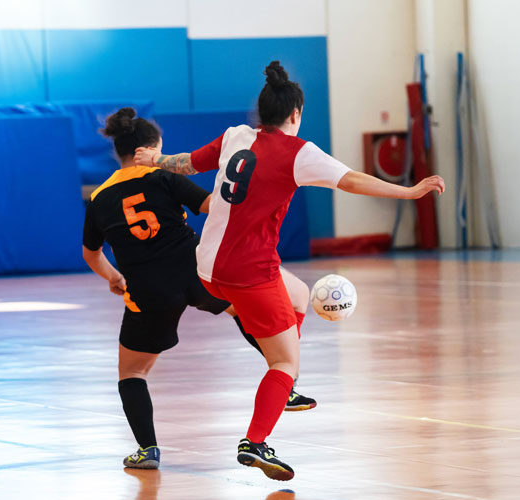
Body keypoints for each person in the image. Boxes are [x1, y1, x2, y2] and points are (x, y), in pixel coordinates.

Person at [134, 61, 445, 481]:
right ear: (295, 114)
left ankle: (284, 386)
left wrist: (155, 159)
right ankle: (256, 440)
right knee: (284, 362)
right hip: (250, 272)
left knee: (299, 295)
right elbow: (351, 180)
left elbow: (188, 163)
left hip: (207, 264)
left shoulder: (234, 137)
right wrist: (408, 191)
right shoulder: (300, 152)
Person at [82, 108, 316, 470]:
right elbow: (212, 205)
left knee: (132, 373)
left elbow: (91, 253)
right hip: (195, 268)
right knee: (242, 308)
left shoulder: (99, 198)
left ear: (118, 151)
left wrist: (114, 277)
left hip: (146, 288)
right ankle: (285, 381)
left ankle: (147, 451)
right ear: (154, 146)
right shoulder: (162, 173)